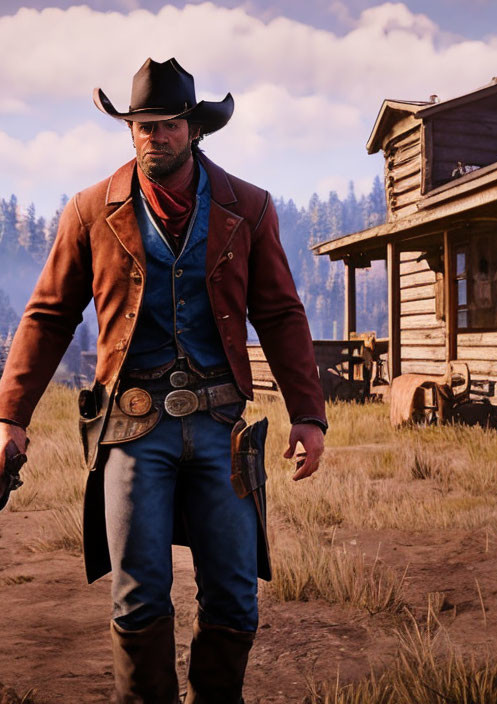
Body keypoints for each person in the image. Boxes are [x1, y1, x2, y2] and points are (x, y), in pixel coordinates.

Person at [0, 58, 327, 703]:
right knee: (139, 590)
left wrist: (309, 415)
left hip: (220, 424)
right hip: (130, 422)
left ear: (193, 129)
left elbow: (282, 314)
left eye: (169, 124)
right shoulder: (92, 210)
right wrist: (11, 415)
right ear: (129, 131)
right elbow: (48, 315)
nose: (155, 136)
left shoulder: (249, 207)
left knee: (234, 592)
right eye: (143, 125)